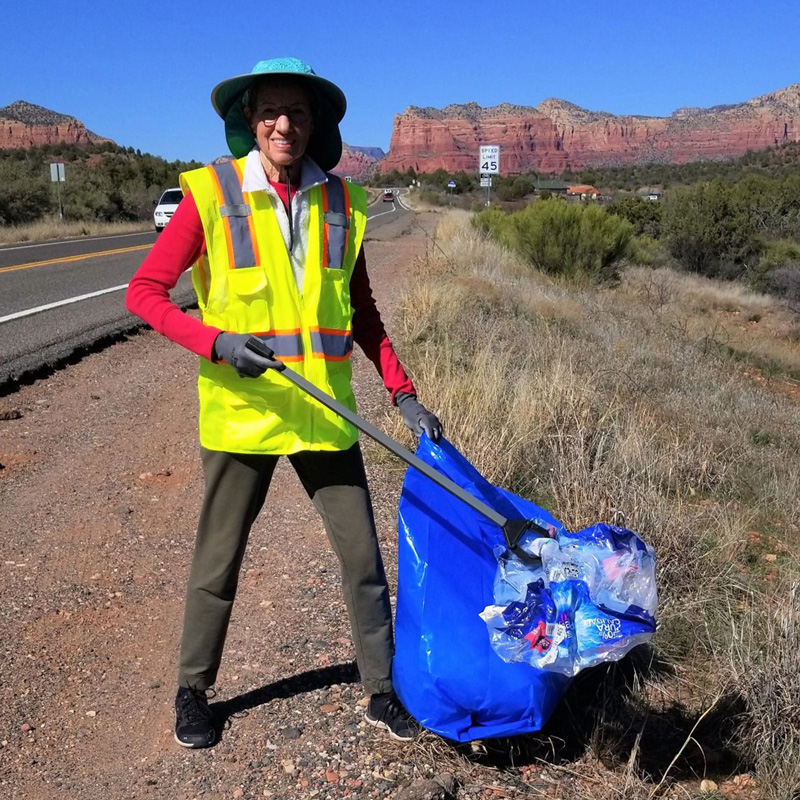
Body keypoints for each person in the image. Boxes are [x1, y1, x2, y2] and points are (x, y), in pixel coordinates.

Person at [125, 57, 442, 749]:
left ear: (316, 124)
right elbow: (143, 294)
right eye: (270, 110)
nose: (283, 124)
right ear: (249, 120)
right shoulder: (210, 195)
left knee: (363, 561)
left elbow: (362, 314)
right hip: (243, 416)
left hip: (325, 416)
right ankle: (193, 690)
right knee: (219, 562)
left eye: (297, 113)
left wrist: (404, 393)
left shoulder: (344, 204)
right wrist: (215, 342)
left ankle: (382, 690)